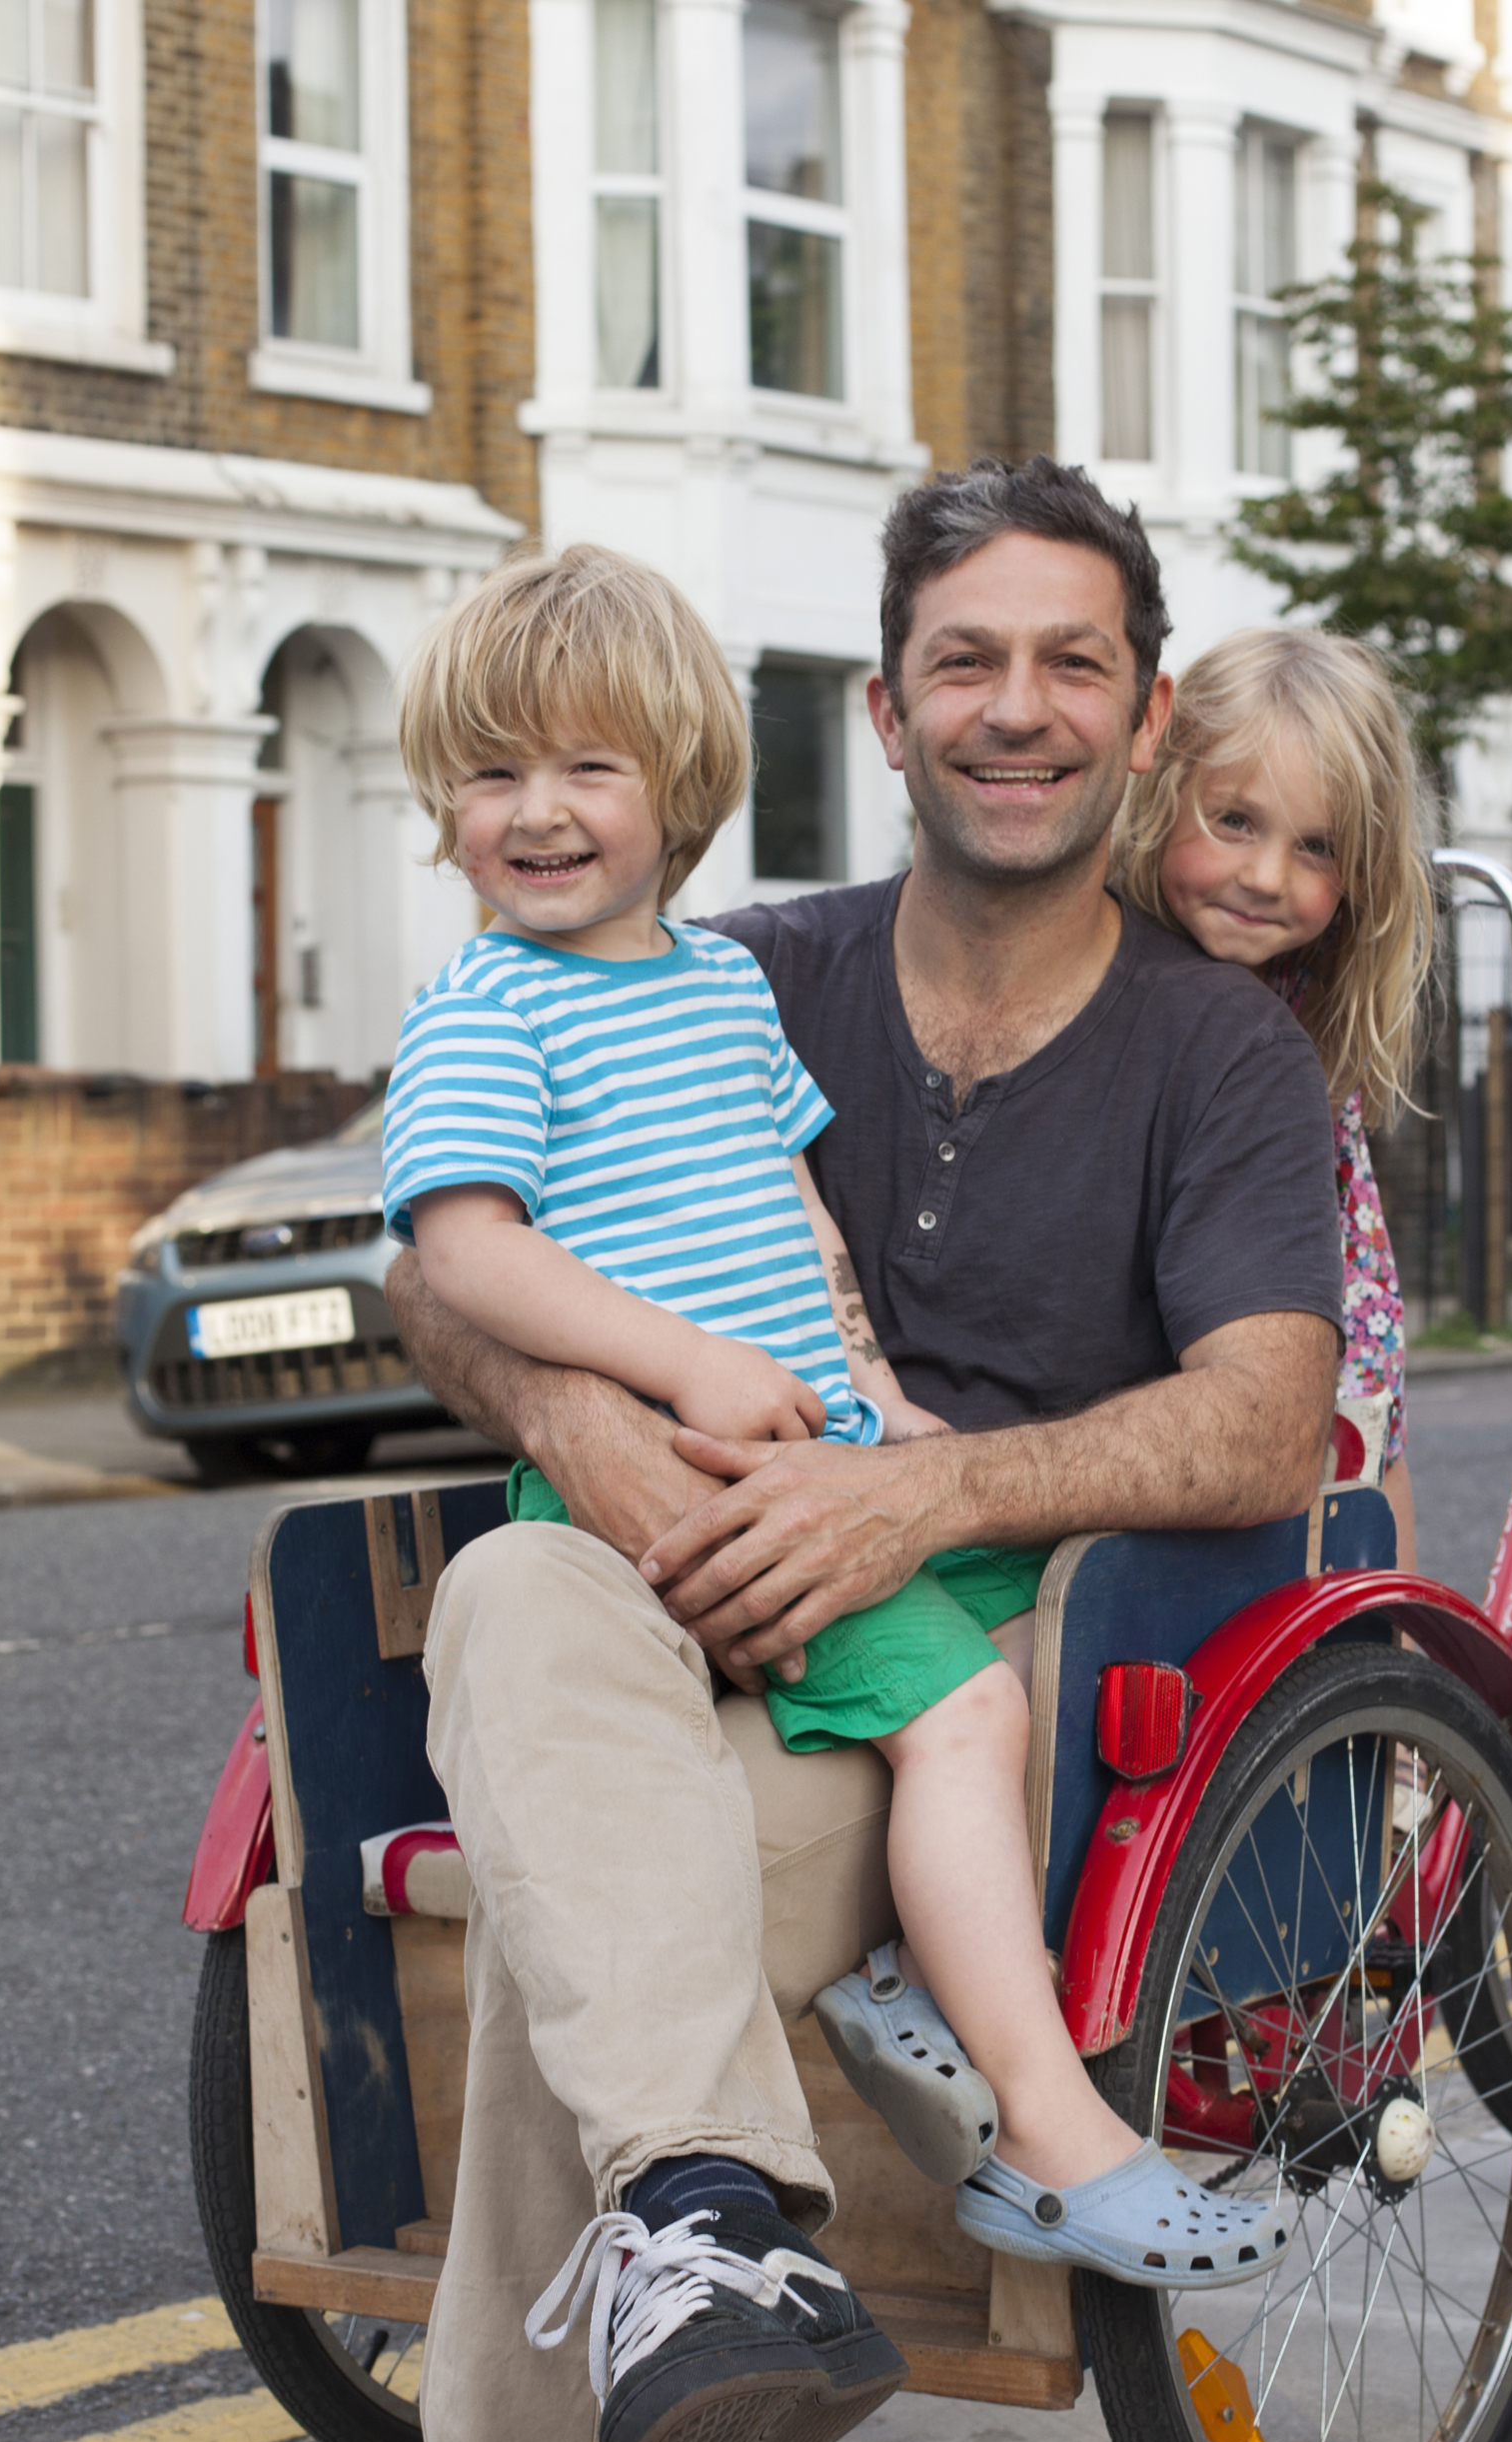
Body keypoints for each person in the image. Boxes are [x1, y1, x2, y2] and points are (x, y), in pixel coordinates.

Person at [297, 459, 1345, 2442]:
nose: (1016, 706)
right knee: (505, 1596)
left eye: (1069, 659)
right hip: (658, 1613)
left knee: (601, 1922)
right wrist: (592, 1427)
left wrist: (925, 1491)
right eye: (963, 659)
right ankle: (721, 2217)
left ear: (1139, 708)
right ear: (883, 708)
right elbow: (444, 1267)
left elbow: (1272, 1411)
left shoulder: (1215, 1055)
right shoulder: (725, 963)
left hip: (971, 1685)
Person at [382, 544, 1284, 2286]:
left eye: (588, 767)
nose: (539, 811)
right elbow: (456, 1252)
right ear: (885, 710)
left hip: (823, 1475)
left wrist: (864, 1382)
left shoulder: (722, 988)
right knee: (947, 1723)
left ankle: (865, 2095)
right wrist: (658, 1374)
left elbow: (783, 1203)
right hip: (668, 1494)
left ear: (684, 789)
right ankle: (1039, 2123)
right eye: (491, 773)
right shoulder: (490, 1002)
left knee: (947, 1721)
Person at [1112, 627, 1431, 1565]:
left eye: (1316, 846)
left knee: (1363, 1436)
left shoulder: (1303, 1009)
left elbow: (1369, 1383)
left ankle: (1400, 1669)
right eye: (1236, 821)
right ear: (1165, 794)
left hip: (1310, 1329)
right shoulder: (1103, 963)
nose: (1265, 878)